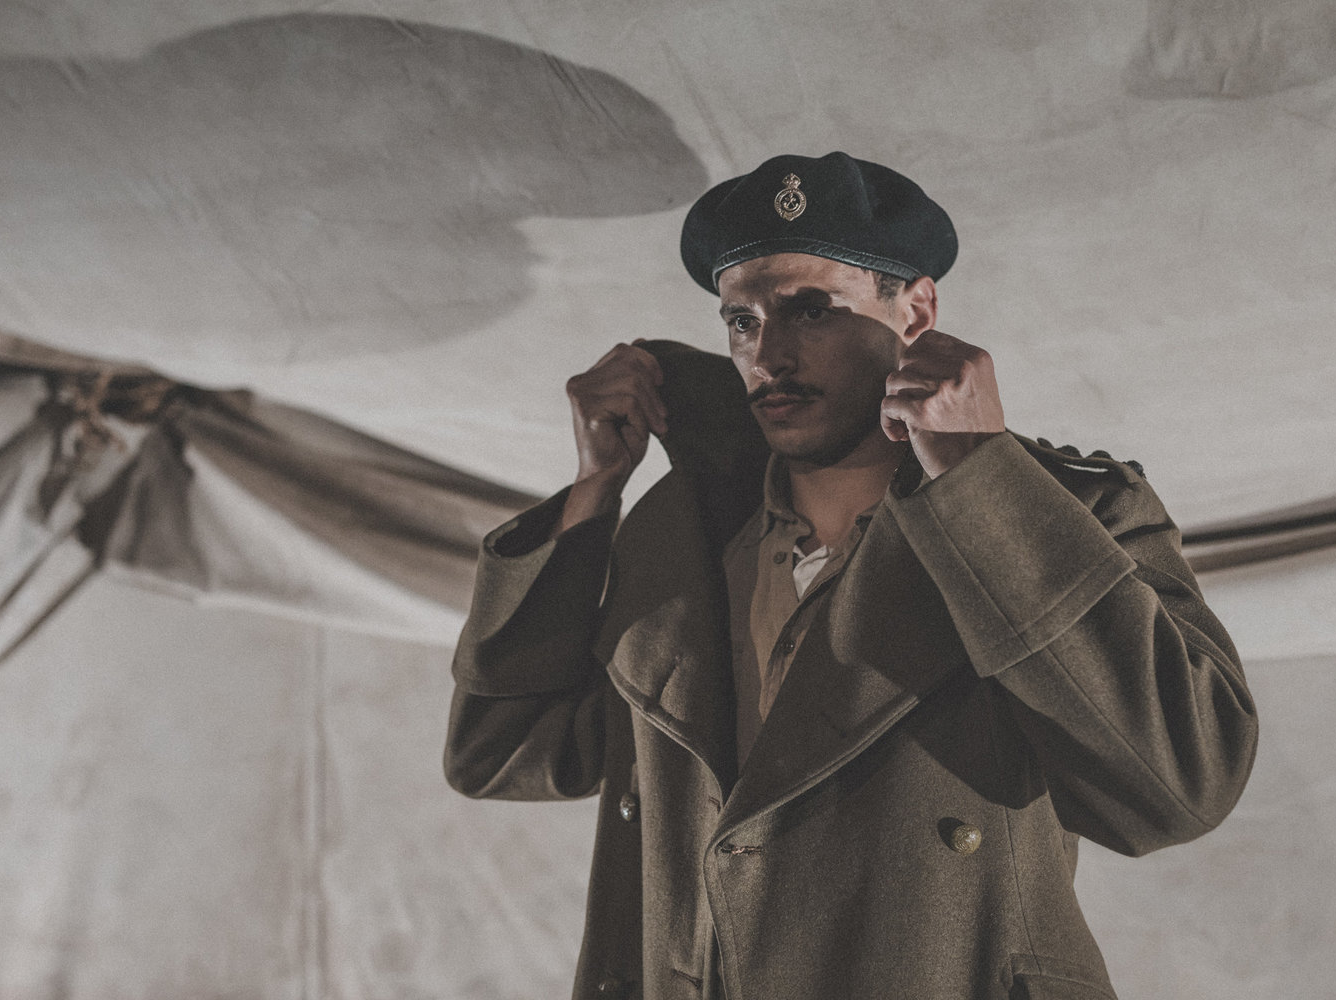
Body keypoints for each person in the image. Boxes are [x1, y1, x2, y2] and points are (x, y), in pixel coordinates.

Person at [444, 152, 1258, 1000]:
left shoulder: (1070, 513)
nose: (769, 355)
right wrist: (593, 493)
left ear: (917, 311)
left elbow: (1182, 786)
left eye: (811, 310)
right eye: (742, 322)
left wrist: (983, 477)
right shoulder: (680, 535)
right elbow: (499, 752)